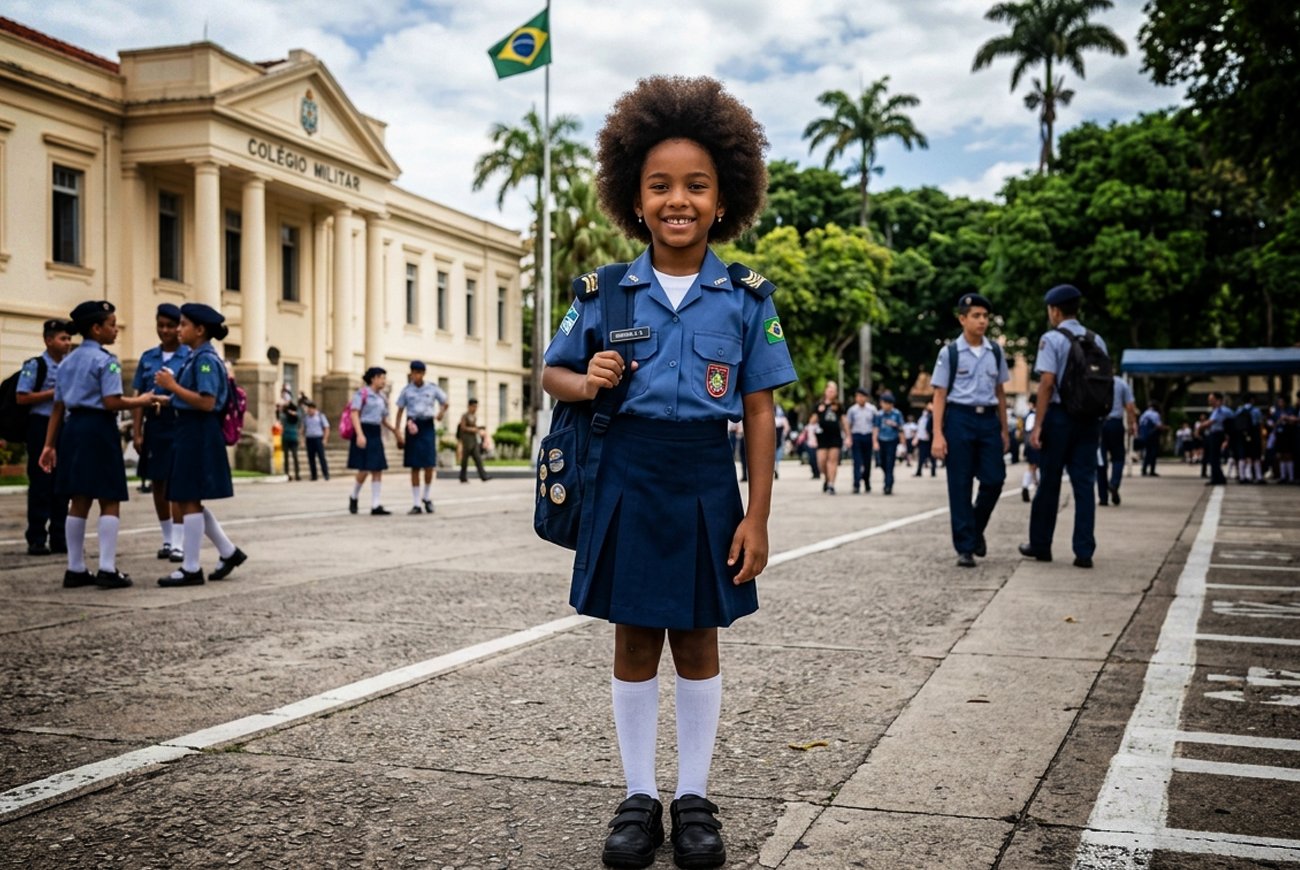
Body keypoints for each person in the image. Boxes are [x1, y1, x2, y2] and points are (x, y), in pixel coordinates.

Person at [540, 76, 796, 870]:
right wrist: (589, 381)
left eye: (695, 186)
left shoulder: (746, 298)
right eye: (660, 185)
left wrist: (757, 515)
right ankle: (638, 796)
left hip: (704, 475)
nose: (677, 199)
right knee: (633, 637)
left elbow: (759, 412)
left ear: (723, 201)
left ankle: (693, 797)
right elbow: (553, 373)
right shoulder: (603, 292)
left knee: (697, 637)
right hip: (627, 469)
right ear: (634, 198)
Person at [38, 300, 161, 589]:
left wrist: (48, 445)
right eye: (111, 324)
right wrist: (142, 400)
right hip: (99, 429)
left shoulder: (67, 361)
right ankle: (107, 567)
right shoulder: (107, 361)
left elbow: (57, 406)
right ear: (96, 328)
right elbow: (111, 401)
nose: (116, 330)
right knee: (109, 498)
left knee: (78, 499)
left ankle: (75, 568)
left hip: (72, 430)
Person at [152, 304, 247, 586]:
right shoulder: (196, 357)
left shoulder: (205, 360)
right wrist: (168, 399)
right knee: (186, 498)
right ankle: (228, 552)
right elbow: (193, 398)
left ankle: (191, 568)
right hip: (190, 432)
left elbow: (207, 402)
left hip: (198, 434)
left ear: (200, 329)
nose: (178, 329)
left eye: (183, 324)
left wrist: (172, 386)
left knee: (189, 498)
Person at [1020, 284, 1107, 569]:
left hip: (1060, 418)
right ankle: (1084, 551)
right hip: (1089, 419)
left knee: (1050, 482)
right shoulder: (1097, 340)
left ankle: (1041, 544)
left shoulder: (1052, 339)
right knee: (1084, 484)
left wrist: (1038, 425)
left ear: (1055, 311)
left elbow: (1047, 383)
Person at [930, 294, 1011, 567]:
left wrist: (1004, 429)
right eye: (976, 316)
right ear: (962, 319)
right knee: (960, 483)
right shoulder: (950, 353)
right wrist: (938, 434)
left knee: (995, 479)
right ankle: (965, 547)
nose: (982, 321)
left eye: (985, 316)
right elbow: (939, 395)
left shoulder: (995, 352)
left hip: (988, 420)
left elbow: (1000, 392)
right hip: (959, 419)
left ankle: (975, 528)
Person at [131, 304, 191, 562]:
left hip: (178, 423)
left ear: (179, 327)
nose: (165, 330)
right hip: (154, 424)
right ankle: (167, 538)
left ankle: (178, 542)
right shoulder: (148, 357)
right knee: (157, 482)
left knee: (176, 482)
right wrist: (137, 432)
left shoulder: (189, 356)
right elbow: (138, 397)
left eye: (170, 325)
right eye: (160, 325)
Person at [17, 319, 72, 556]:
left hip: (64, 426)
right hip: (40, 425)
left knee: (62, 484)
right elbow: (22, 397)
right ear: (48, 340)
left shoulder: (70, 365)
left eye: (69, 338)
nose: (67, 343)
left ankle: (59, 536)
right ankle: (37, 537)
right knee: (41, 482)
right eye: (62, 338)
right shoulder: (35, 365)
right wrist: (53, 393)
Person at [394, 360, 448, 513]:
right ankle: (416, 503)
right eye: (413, 372)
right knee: (414, 465)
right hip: (412, 426)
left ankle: (426, 496)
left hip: (427, 426)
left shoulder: (432, 388)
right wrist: (398, 431)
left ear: (423, 374)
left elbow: (445, 402)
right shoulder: (407, 390)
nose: (415, 376)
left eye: (418, 373)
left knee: (429, 464)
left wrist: (441, 413)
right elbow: (400, 410)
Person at [347, 366, 398, 514]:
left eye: (384, 378)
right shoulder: (362, 393)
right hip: (363, 429)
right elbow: (354, 414)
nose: (384, 381)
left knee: (377, 468)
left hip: (376, 432)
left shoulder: (382, 397)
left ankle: (376, 505)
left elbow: (383, 419)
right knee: (364, 469)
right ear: (373, 378)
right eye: (381, 378)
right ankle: (354, 495)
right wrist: (360, 434)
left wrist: (394, 430)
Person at [1097, 376, 1137, 507]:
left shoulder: (1095, 381)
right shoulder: (1121, 383)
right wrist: (1131, 425)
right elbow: (1130, 406)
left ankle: (1103, 497)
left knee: (1100, 461)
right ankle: (1114, 484)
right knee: (1118, 457)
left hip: (1098, 424)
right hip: (1115, 423)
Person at [811, 381, 845, 494]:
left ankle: (831, 484)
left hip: (835, 436)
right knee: (821, 461)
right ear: (825, 391)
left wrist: (848, 435)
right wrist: (819, 411)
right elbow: (812, 421)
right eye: (829, 390)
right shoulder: (819, 405)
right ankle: (827, 477)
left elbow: (844, 421)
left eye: (833, 391)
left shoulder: (838, 405)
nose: (831, 392)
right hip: (822, 436)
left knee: (832, 461)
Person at [873, 392, 905, 495]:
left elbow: (901, 429)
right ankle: (888, 477)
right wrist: (875, 441)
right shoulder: (879, 415)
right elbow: (876, 428)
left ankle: (888, 485)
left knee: (890, 462)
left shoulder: (897, 414)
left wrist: (903, 443)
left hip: (892, 440)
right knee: (882, 463)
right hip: (881, 440)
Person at [845, 386, 876, 493]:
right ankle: (856, 484)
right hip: (856, 436)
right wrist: (849, 437)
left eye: (862, 396)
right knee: (857, 461)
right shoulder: (852, 410)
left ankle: (866, 481)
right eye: (858, 396)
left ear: (866, 398)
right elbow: (848, 424)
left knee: (867, 461)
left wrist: (875, 439)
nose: (860, 398)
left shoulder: (872, 409)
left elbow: (875, 425)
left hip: (868, 436)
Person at [1197, 392, 1231, 486]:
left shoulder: (1220, 410)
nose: (1210, 402)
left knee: (1214, 457)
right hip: (1216, 434)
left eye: (1212, 400)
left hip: (1217, 434)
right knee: (1214, 457)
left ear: (1219, 400)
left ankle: (1217, 478)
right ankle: (1218, 477)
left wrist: (1200, 427)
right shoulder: (1218, 410)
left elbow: (1211, 422)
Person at [456, 398, 490, 483]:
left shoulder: (474, 416)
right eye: (474, 406)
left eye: (476, 407)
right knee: (465, 459)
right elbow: (463, 427)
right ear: (469, 406)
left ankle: (483, 476)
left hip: (473, 440)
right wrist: (473, 429)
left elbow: (474, 427)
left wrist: (479, 428)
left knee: (478, 458)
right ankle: (462, 476)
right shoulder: (465, 416)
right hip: (466, 440)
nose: (475, 408)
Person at [1233, 394, 1264, 483]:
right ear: (1252, 400)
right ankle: (1258, 477)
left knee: (1242, 456)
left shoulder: (1239, 410)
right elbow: (1260, 423)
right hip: (1254, 434)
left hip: (1241, 435)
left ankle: (1242, 476)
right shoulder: (1256, 411)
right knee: (1256, 456)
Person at [302, 401, 330, 481]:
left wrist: (325, 439)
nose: (309, 411)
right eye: (308, 409)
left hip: (318, 438)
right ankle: (314, 475)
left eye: (310, 409)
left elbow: (326, 428)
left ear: (314, 409)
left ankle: (326, 474)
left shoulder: (320, 416)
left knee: (321, 457)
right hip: (309, 439)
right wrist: (302, 439)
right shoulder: (306, 417)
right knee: (311, 458)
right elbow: (303, 429)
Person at [1138, 401, 1164, 477]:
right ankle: (1152, 470)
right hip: (1153, 436)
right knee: (1153, 453)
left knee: (1147, 453)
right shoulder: (1155, 414)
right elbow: (1158, 425)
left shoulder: (1144, 414)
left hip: (1144, 436)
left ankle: (1144, 469)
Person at [1021, 406, 1040, 501]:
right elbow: (1030, 429)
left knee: (1034, 467)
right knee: (1034, 467)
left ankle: (1035, 487)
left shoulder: (1030, 415)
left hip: (1030, 445)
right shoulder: (1033, 416)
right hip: (1034, 444)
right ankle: (1026, 487)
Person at [913, 402, 937, 477]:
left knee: (933, 456)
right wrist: (917, 438)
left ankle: (933, 471)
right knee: (921, 456)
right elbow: (920, 429)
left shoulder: (933, 415)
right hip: (923, 439)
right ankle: (919, 471)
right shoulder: (923, 417)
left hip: (930, 439)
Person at [280, 399, 302, 481]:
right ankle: (297, 474)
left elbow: (281, 418)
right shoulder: (296, 417)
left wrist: (285, 409)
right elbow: (299, 420)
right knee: (295, 457)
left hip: (286, 438)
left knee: (287, 457)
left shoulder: (284, 416)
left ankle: (287, 473)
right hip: (293, 438)